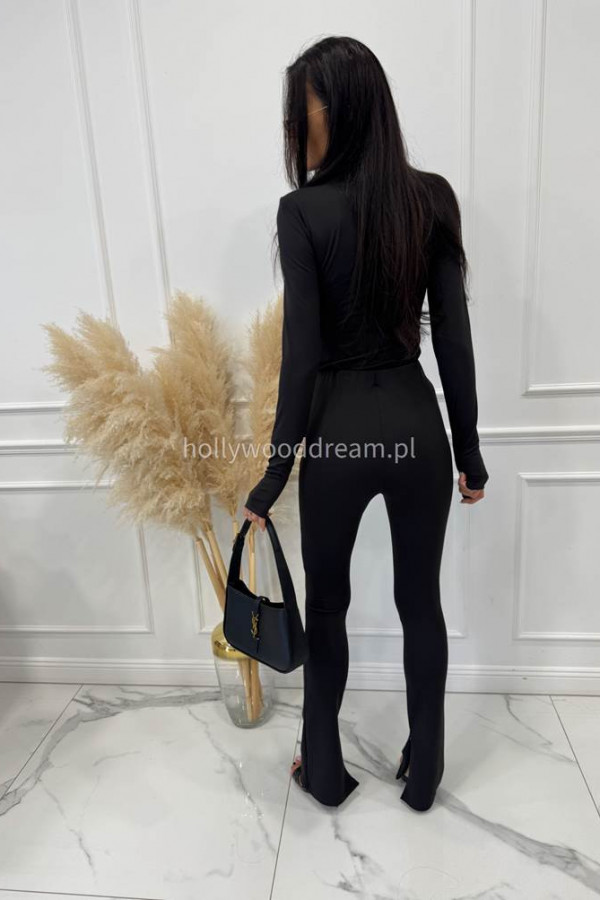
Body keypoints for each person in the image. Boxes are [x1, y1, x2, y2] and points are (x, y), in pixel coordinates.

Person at [242, 36, 488, 813]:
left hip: (340, 433)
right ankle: (425, 773)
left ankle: (322, 770)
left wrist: (274, 474)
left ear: (339, 110)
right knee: (422, 604)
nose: (293, 127)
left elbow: (302, 358)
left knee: (327, 606)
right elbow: (453, 341)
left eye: (301, 111)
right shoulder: (432, 199)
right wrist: (470, 455)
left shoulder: (301, 212)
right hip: (417, 426)